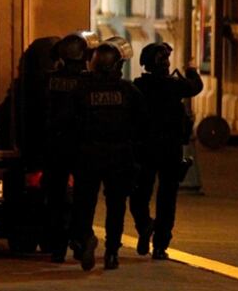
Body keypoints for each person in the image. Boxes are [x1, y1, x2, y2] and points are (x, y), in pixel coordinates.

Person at [69, 38, 146, 271]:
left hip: (88, 155)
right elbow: (142, 126)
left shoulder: (82, 90)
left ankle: (85, 239)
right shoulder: (128, 91)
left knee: (84, 203)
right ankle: (112, 252)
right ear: (116, 67)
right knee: (116, 206)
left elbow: (70, 123)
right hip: (119, 156)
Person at [130, 42, 203, 260]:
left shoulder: (138, 87)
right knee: (167, 198)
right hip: (170, 149)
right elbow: (195, 87)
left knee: (139, 194)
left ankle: (144, 225)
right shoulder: (175, 86)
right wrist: (191, 70)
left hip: (144, 149)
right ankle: (160, 245)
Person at [42, 31, 97, 263]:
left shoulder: (49, 80)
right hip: (83, 149)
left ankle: (57, 248)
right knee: (84, 198)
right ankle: (81, 238)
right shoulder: (89, 82)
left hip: (56, 148)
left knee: (55, 198)